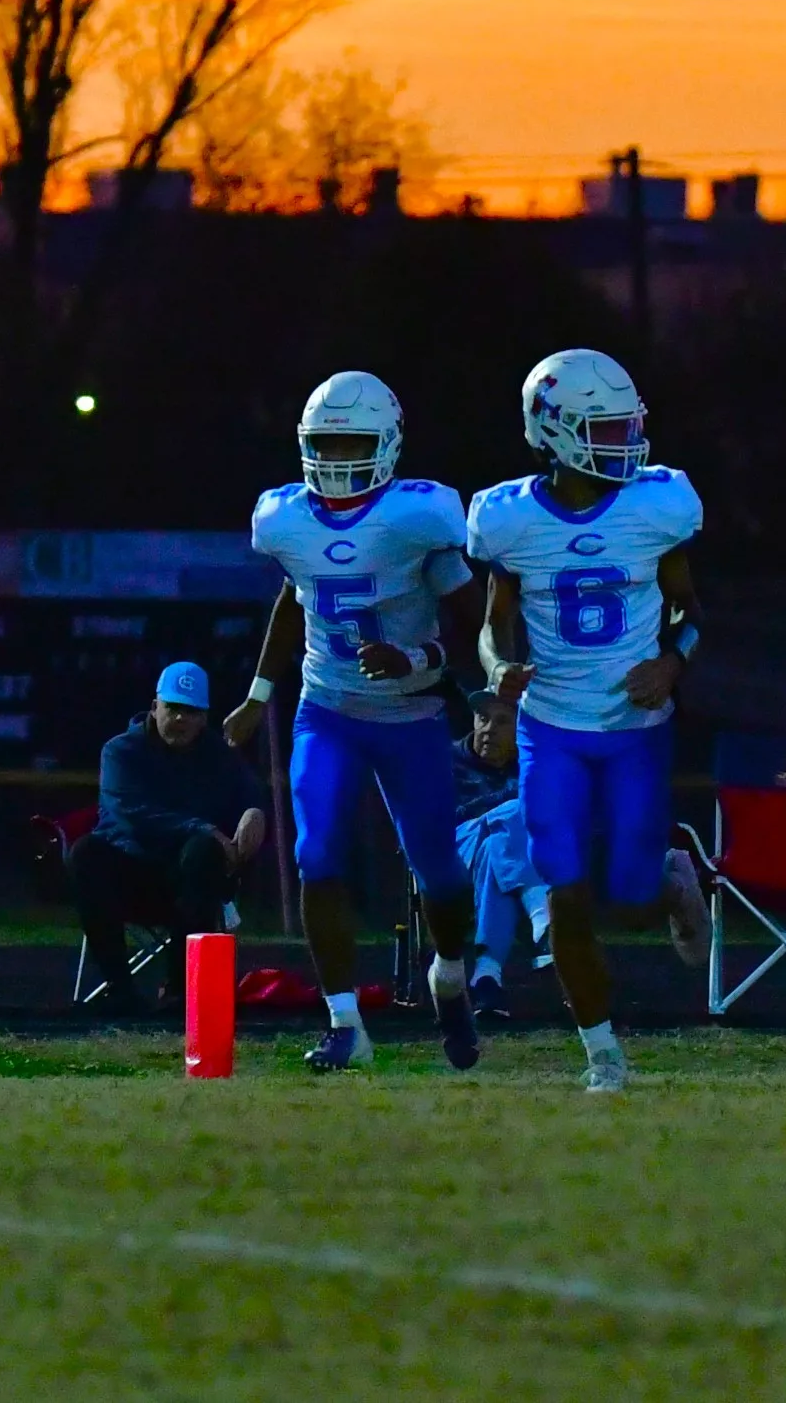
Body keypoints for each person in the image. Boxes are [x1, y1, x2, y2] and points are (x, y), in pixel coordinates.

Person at [220, 370, 484, 1073]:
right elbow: (294, 598)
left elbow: (476, 624)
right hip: (328, 711)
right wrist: (258, 694)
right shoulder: (286, 520)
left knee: (440, 873)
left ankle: (449, 975)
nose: (337, 460)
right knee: (317, 857)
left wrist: (421, 660)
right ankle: (345, 1025)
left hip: (412, 714)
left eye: (353, 444)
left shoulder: (419, 518)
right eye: (326, 444)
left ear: (388, 443)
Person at [473, 348, 712, 1093]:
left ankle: (669, 879)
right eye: (604, 430)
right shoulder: (511, 521)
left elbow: (691, 615)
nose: (624, 443)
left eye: (625, 426)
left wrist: (671, 662)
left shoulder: (655, 506)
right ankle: (601, 1052)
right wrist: (497, 671)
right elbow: (492, 627)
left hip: (635, 728)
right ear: (553, 432)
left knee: (631, 891)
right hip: (551, 729)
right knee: (563, 891)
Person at [72, 661, 264, 1012]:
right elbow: (131, 813)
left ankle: (179, 990)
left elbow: (250, 793)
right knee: (86, 853)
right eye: (173, 708)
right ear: (154, 706)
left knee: (204, 852)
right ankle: (119, 989)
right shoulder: (120, 751)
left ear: (204, 718)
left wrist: (254, 812)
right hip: (128, 877)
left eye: (191, 712)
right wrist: (201, 827)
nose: (180, 719)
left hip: (191, 884)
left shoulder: (220, 756)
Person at [451, 689, 548, 1020]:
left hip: (500, 860)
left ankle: (486, 976)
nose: (489, 729)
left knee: (497, 850)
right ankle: (543, 919)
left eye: (503, 721)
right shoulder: (445, 761)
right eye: (483, 718)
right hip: (456, 850)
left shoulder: (531, 762)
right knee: (514, 810)